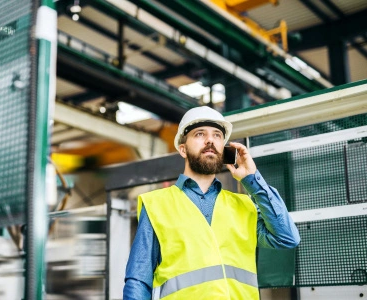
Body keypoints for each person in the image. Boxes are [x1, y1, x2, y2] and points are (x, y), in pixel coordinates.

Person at [123, 106, 300, 300]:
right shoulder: (156, 204)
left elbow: (287, 238)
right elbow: (138, 280)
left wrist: (252, 179)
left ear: (224, 150)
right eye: (200, 134)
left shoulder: (243, 205)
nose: (210, 140)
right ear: (183, 149)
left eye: (217, 135)